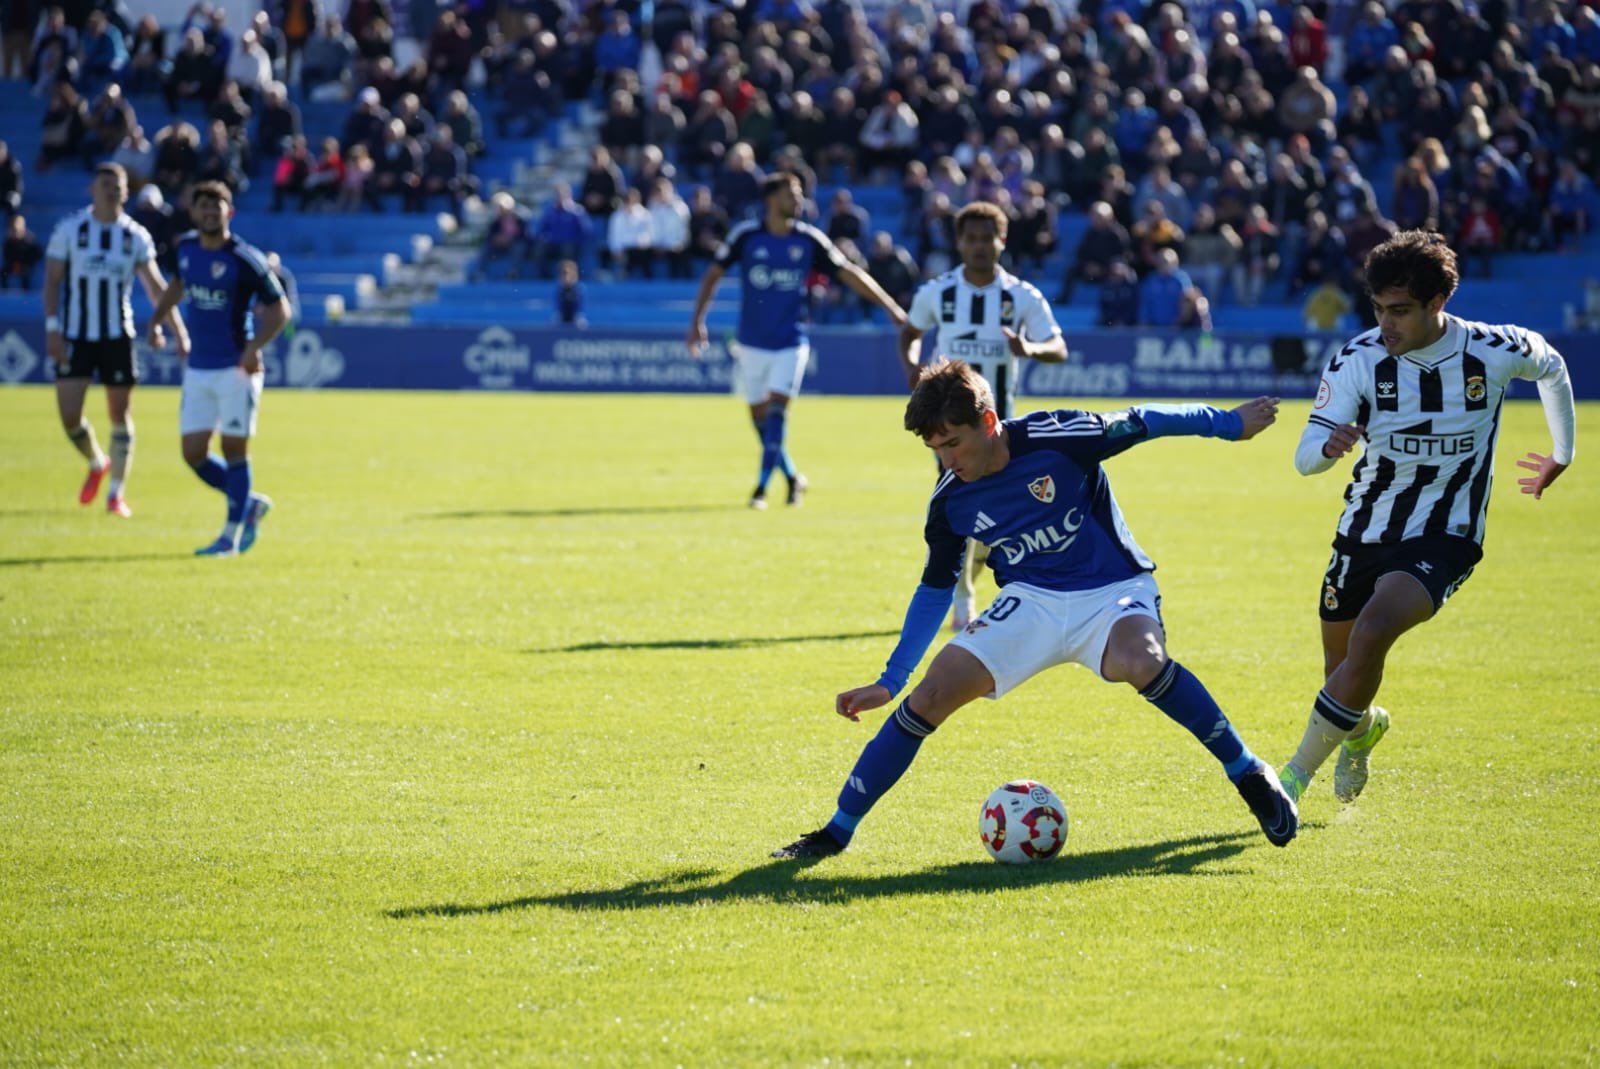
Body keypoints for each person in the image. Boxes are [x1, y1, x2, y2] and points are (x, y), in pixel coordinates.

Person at [771, 360, 1299, 858]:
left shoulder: (1059, 439)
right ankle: (836, 832)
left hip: (1111, 589)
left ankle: (1248, 772)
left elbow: (1144, 420)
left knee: (1143, 661)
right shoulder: (951, 501)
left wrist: (1228, 423)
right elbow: (935, 589)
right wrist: (891, 680)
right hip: (1029, 603)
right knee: (929, 695)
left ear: (989, 421)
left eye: (954, 443)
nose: (948, 461)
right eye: (936, 450)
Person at [1280, 230, 1576, 807]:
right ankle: (1363, 733)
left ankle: (1289, 779)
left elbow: (1554, 367)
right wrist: (1331, 446)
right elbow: (1303, 459)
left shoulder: (1491, 349)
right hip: (1364, 528)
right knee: (1342, 670)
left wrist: (1563, 452)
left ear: (1437, 304)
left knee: (1372, 633)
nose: (1385, 323)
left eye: (1400, 311)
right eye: (1378, 309)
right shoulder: (1359, 360)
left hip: (1447, 533)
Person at [687, 173, 908, 509]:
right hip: (750, 343)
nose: (800, 201)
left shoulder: (809, 239)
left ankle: (761, 490)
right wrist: (697, 321)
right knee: (760, 419)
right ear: (772, 200)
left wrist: (890, 306)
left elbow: (848, 271)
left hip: (791, 341)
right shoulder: (746, 236)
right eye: (792, 194)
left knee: (777, 411)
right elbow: (713, 274)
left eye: (800, 194)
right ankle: (793, 477)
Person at [899, 201, 1068, 631]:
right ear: (959, 243)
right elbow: (910, 332)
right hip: (951, 431)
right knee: (961, 512)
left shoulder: (1020, 296)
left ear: (1002, 240)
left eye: (986, 238)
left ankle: (962, 588)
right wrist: (915, 376)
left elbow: (1058, 347)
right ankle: (962, 597)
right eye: (970, 238)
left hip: (1001, 429)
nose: (978, 246)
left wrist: (1029, 349)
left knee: (991, 519)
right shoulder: (939, 292)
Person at [145, 181, 290, 557]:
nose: (211, 213)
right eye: (204, 206)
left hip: (235, 369)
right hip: (198, 368)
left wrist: (255, 348)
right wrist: (158, 319)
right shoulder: (187, 248)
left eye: (218, 207)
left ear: (230, 213)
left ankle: (230, 536)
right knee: (193, 453)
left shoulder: (245, 259)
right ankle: (250, 504)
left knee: (233, 448)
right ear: (194, 212)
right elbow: (178, 284)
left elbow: (280, 310)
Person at [43, 164, 186, 520]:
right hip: (76, 334)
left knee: (120, 414)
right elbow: (51, 282)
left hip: (117, 336)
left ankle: (115, 494)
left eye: (118, 186)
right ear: (93, 189)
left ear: (126, 192)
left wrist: (178, 331)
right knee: (70, 416)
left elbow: (156, 288)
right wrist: (51, 327)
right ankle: (97, 461)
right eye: (106, 185)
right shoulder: (70, 230)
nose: (112, 191)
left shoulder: (134, 236)